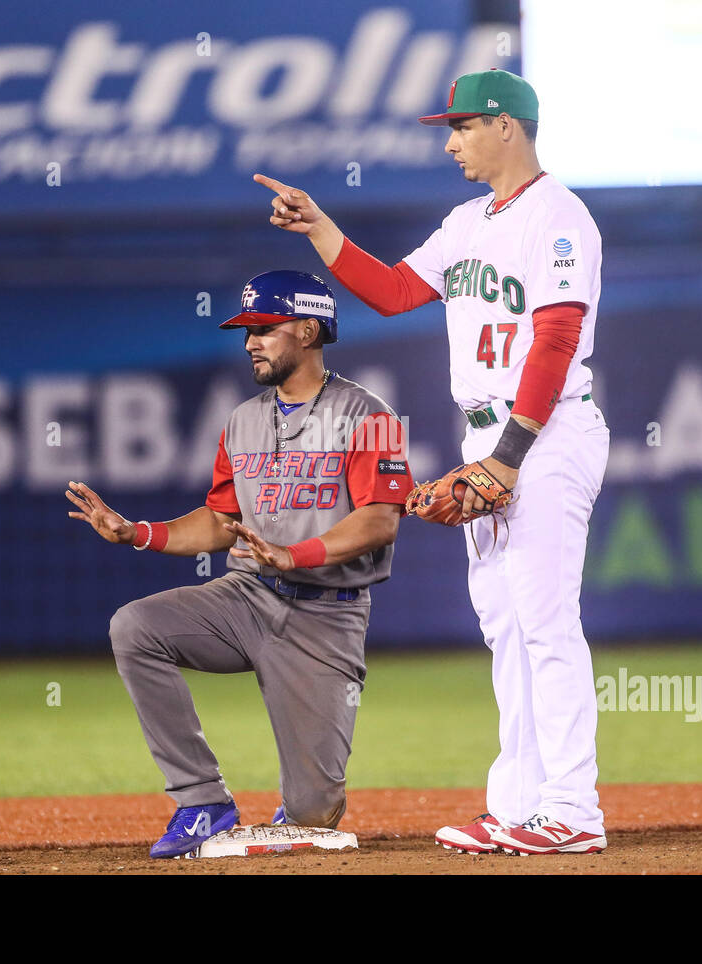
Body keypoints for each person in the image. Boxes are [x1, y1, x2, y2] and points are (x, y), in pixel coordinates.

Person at [252, 69, 611, 856]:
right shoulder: (468, 222)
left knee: (546, 623)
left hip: (541, 435)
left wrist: (510, 457)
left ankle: (573, 809)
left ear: (507, 127)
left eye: (463, 126)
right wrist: (319, 227)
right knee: (507, 627)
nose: (450, 142)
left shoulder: (559, 220)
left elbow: (553, 341)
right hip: (488, 439)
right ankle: (520, 803)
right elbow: (388, 292)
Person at [66, 270, 413, 859]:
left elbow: (380, 521)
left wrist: (294, 553)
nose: (250, 341)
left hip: (324, 619)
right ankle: (202, 802)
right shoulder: (242, 420)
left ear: (308, 329)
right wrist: (137, 534)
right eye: (245, 330)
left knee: (311, 818)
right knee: (135, 626)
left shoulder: (367, 413)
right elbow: (220, 520)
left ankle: (303, 801)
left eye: (264, 328)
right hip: (246, 598)